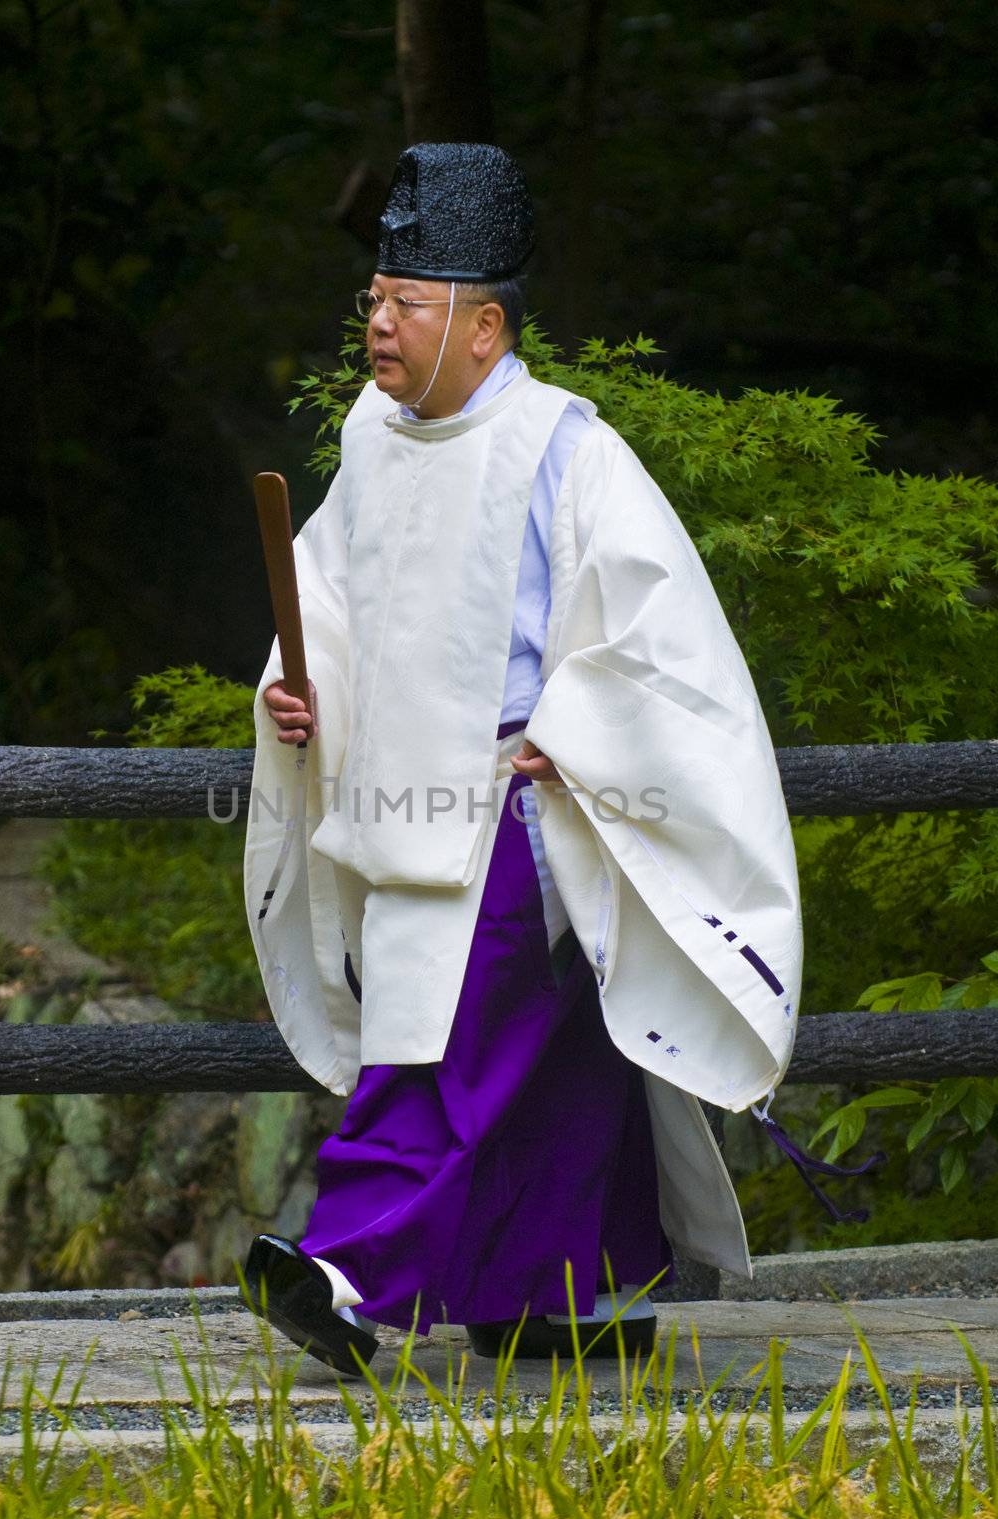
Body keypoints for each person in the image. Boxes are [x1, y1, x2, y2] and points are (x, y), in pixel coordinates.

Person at [241, 142, 805, 1376]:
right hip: (402, 799)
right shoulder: (374, 437)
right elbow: (330, 606)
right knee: (556, 1056)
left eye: (407, 304)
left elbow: (660, 637)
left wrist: (579, 725)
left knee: (444, 1029)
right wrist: (297, 692)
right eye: (376, 301)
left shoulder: (568, 449)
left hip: (520, 802)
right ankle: (568, 1295)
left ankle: (348, 1274)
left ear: (486, 326)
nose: (378, 326)